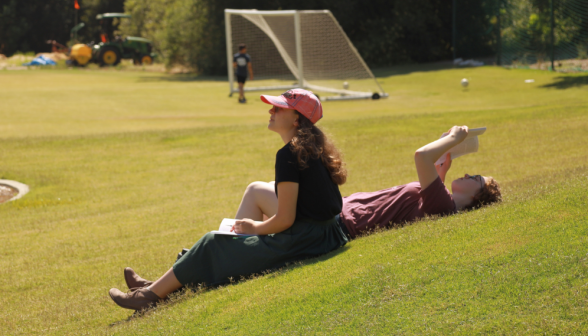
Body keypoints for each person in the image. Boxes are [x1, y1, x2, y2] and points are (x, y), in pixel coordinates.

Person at [109, 89, 348, 310]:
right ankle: (163, 283)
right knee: (256, 189)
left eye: (278, 108)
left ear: (296, 120)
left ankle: (147, 297)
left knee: (212, 242)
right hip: (328, 234)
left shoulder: (288, 155)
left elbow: (285, 219)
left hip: (306, 239)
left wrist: (256, 227)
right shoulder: (312, 146)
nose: (270, 111)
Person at [221, 126, 502, 240]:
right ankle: (236, 239)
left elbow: (421, 157)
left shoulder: (444, 207)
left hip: (339, 222)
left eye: (475, 179)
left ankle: (229, 244)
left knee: (256, 189)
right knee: (274, 186)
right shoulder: (440, 201)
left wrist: (455, 136)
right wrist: (445, 161)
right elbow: (429, 181)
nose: (468, 175)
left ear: (477, 199)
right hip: (340, 214)